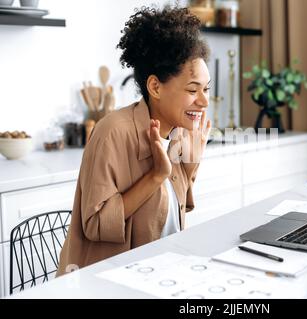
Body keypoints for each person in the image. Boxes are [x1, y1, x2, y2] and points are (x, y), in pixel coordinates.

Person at [57, 6, 211, 276]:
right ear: (155, 87)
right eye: (192, 89)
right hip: (105, 283)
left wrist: (190, 165)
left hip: (160, 273)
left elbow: (174, 213)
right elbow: (95, 224)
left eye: (206, 89)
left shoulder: (179, 131)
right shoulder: (112, 132)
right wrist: (156, 176)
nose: (204, 101)